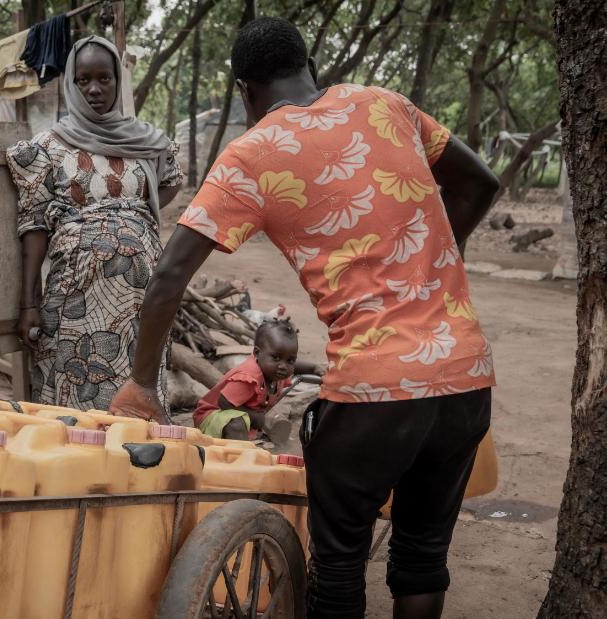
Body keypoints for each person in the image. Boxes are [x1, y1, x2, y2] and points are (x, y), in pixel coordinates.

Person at [110, 17, 500, 619]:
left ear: (244, 91)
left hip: (375, 389)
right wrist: (432, 262)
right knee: (423, 554)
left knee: (339, 562)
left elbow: (166, 279)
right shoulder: (385, 105)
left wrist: (141, 383)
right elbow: (480, 184)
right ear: (309, 64)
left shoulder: (251, 155)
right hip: (467, 376)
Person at [6, 36, 183, 411]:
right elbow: (34, 226)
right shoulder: (49, 148)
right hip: (77, 299)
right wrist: (28, 303)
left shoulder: (147, 142)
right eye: (83, 80)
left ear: (119, 82)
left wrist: (132, 216)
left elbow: (169, 184)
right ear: (71, 83)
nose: (94, 89)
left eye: (104, 79)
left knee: (137, 405)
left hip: (140, 303)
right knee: (74, 402)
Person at [194, 317, 315, 440]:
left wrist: (314, 368)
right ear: (257, 353)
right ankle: (239, 456)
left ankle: (240, 448)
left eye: (290, 360)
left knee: (240, 422)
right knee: (237, 424)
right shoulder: (249, 378)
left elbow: (295, 366)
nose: (283, 366)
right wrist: (253, 416)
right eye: (276, 358)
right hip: (210, 417)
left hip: (229, 416)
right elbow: (224, 402)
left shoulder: (275, 371)